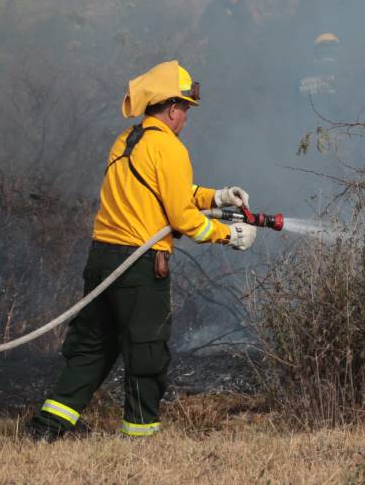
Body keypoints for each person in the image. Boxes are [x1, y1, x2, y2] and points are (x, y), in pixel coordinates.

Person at [28, 60, 258, 441]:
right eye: (185, 108)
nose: (186, 117)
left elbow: (163, 190)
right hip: (139, 266)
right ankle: (140, 438)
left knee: (92, 349)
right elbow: (183, 218)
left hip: (102, 260)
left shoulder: (127, 140)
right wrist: (229, 235)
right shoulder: (169, 148)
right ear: (172, 108)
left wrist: (216, 196)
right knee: (146, 351)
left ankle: (47, 428)